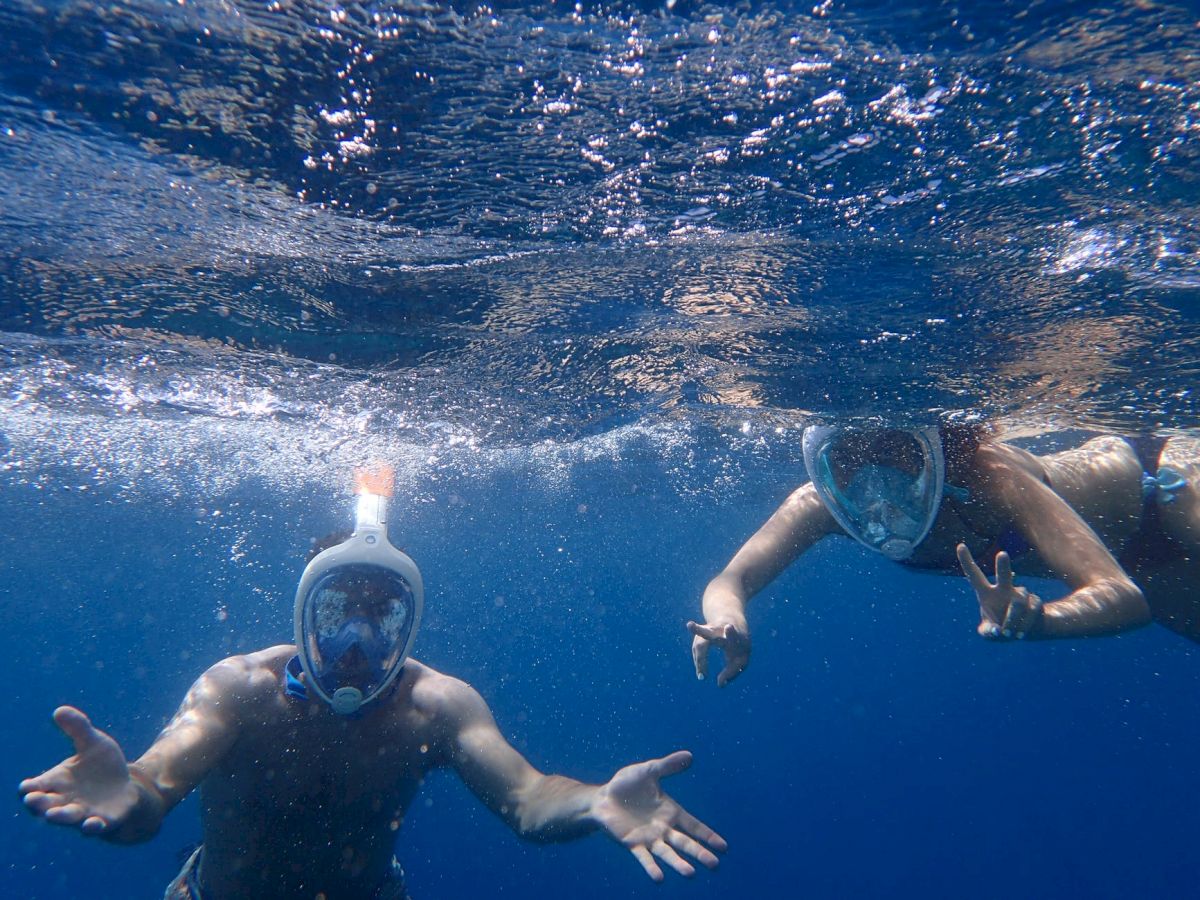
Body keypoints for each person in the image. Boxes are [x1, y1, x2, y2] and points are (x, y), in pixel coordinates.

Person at [21, 469, 726, 898]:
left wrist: (596, 801)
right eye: (336, 615)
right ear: (301, 615)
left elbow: (530, 799)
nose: (357, 646)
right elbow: (151, 793)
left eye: (379, 616)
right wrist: (127, 798)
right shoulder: (238, 690)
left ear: (408, 622)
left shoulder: (435, 708)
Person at [689, 423, 1200, 685]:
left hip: (1170, 489)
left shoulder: (993, 479)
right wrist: (728, 622)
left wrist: (1043, 618)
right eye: (848, 462)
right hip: (1146, 561)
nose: (876, 485)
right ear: (825, 466)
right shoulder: (820, 505)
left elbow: (1118, 596)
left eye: (892, 451)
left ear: (934, 448)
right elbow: (729, 582)